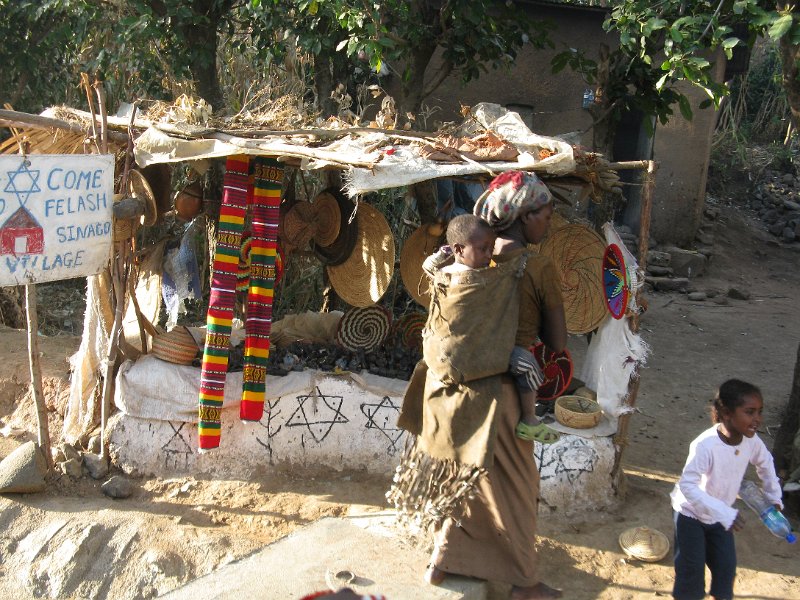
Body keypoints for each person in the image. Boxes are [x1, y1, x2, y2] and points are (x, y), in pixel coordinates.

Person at [392, 170, 567, 600]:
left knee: (468, 481)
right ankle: (524, 582)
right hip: (500, 397)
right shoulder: (536, 266)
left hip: (449, 390)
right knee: (518, 490)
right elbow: (558, 341)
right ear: (523, 216)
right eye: (545, 215)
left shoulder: (459, 263)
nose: (549, 223)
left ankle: (442, 560)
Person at [422, 213, 559, 444]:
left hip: (439, 355)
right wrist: (520, 262)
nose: (489, 256)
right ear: (459, 250)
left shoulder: (442, 275)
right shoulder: (484, 279)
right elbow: (508, 275)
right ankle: (529, 419)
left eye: (491, 248)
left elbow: (428, 266)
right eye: (483, 249)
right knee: (528, 365)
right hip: (470, 355)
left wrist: (442, 254)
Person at [671, 379, 784, 600]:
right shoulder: (705, 445)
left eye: (760, 412)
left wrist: (773, 498)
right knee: (691, 573)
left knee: (725, 569)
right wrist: (723, 512)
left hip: (721, 518)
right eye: (750, 412)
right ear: (726, 413)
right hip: (690, 516)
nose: (758, 419)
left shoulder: (752, 442)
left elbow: (766, 464)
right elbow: (687, 486)